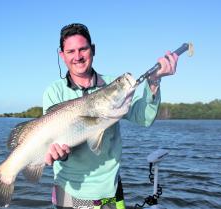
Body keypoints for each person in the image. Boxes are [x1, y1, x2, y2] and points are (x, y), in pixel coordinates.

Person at [42, 23, 178, 209]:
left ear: (93, 49)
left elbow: (144, 118)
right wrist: (58, 154)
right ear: (62, 55)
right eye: (70, 51)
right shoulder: (54, 91)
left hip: (110, 194)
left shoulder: (111, 85)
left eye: (83, 49)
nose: (78, 56)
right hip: (68, 193)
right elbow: (52, 144)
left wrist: (154, 81)